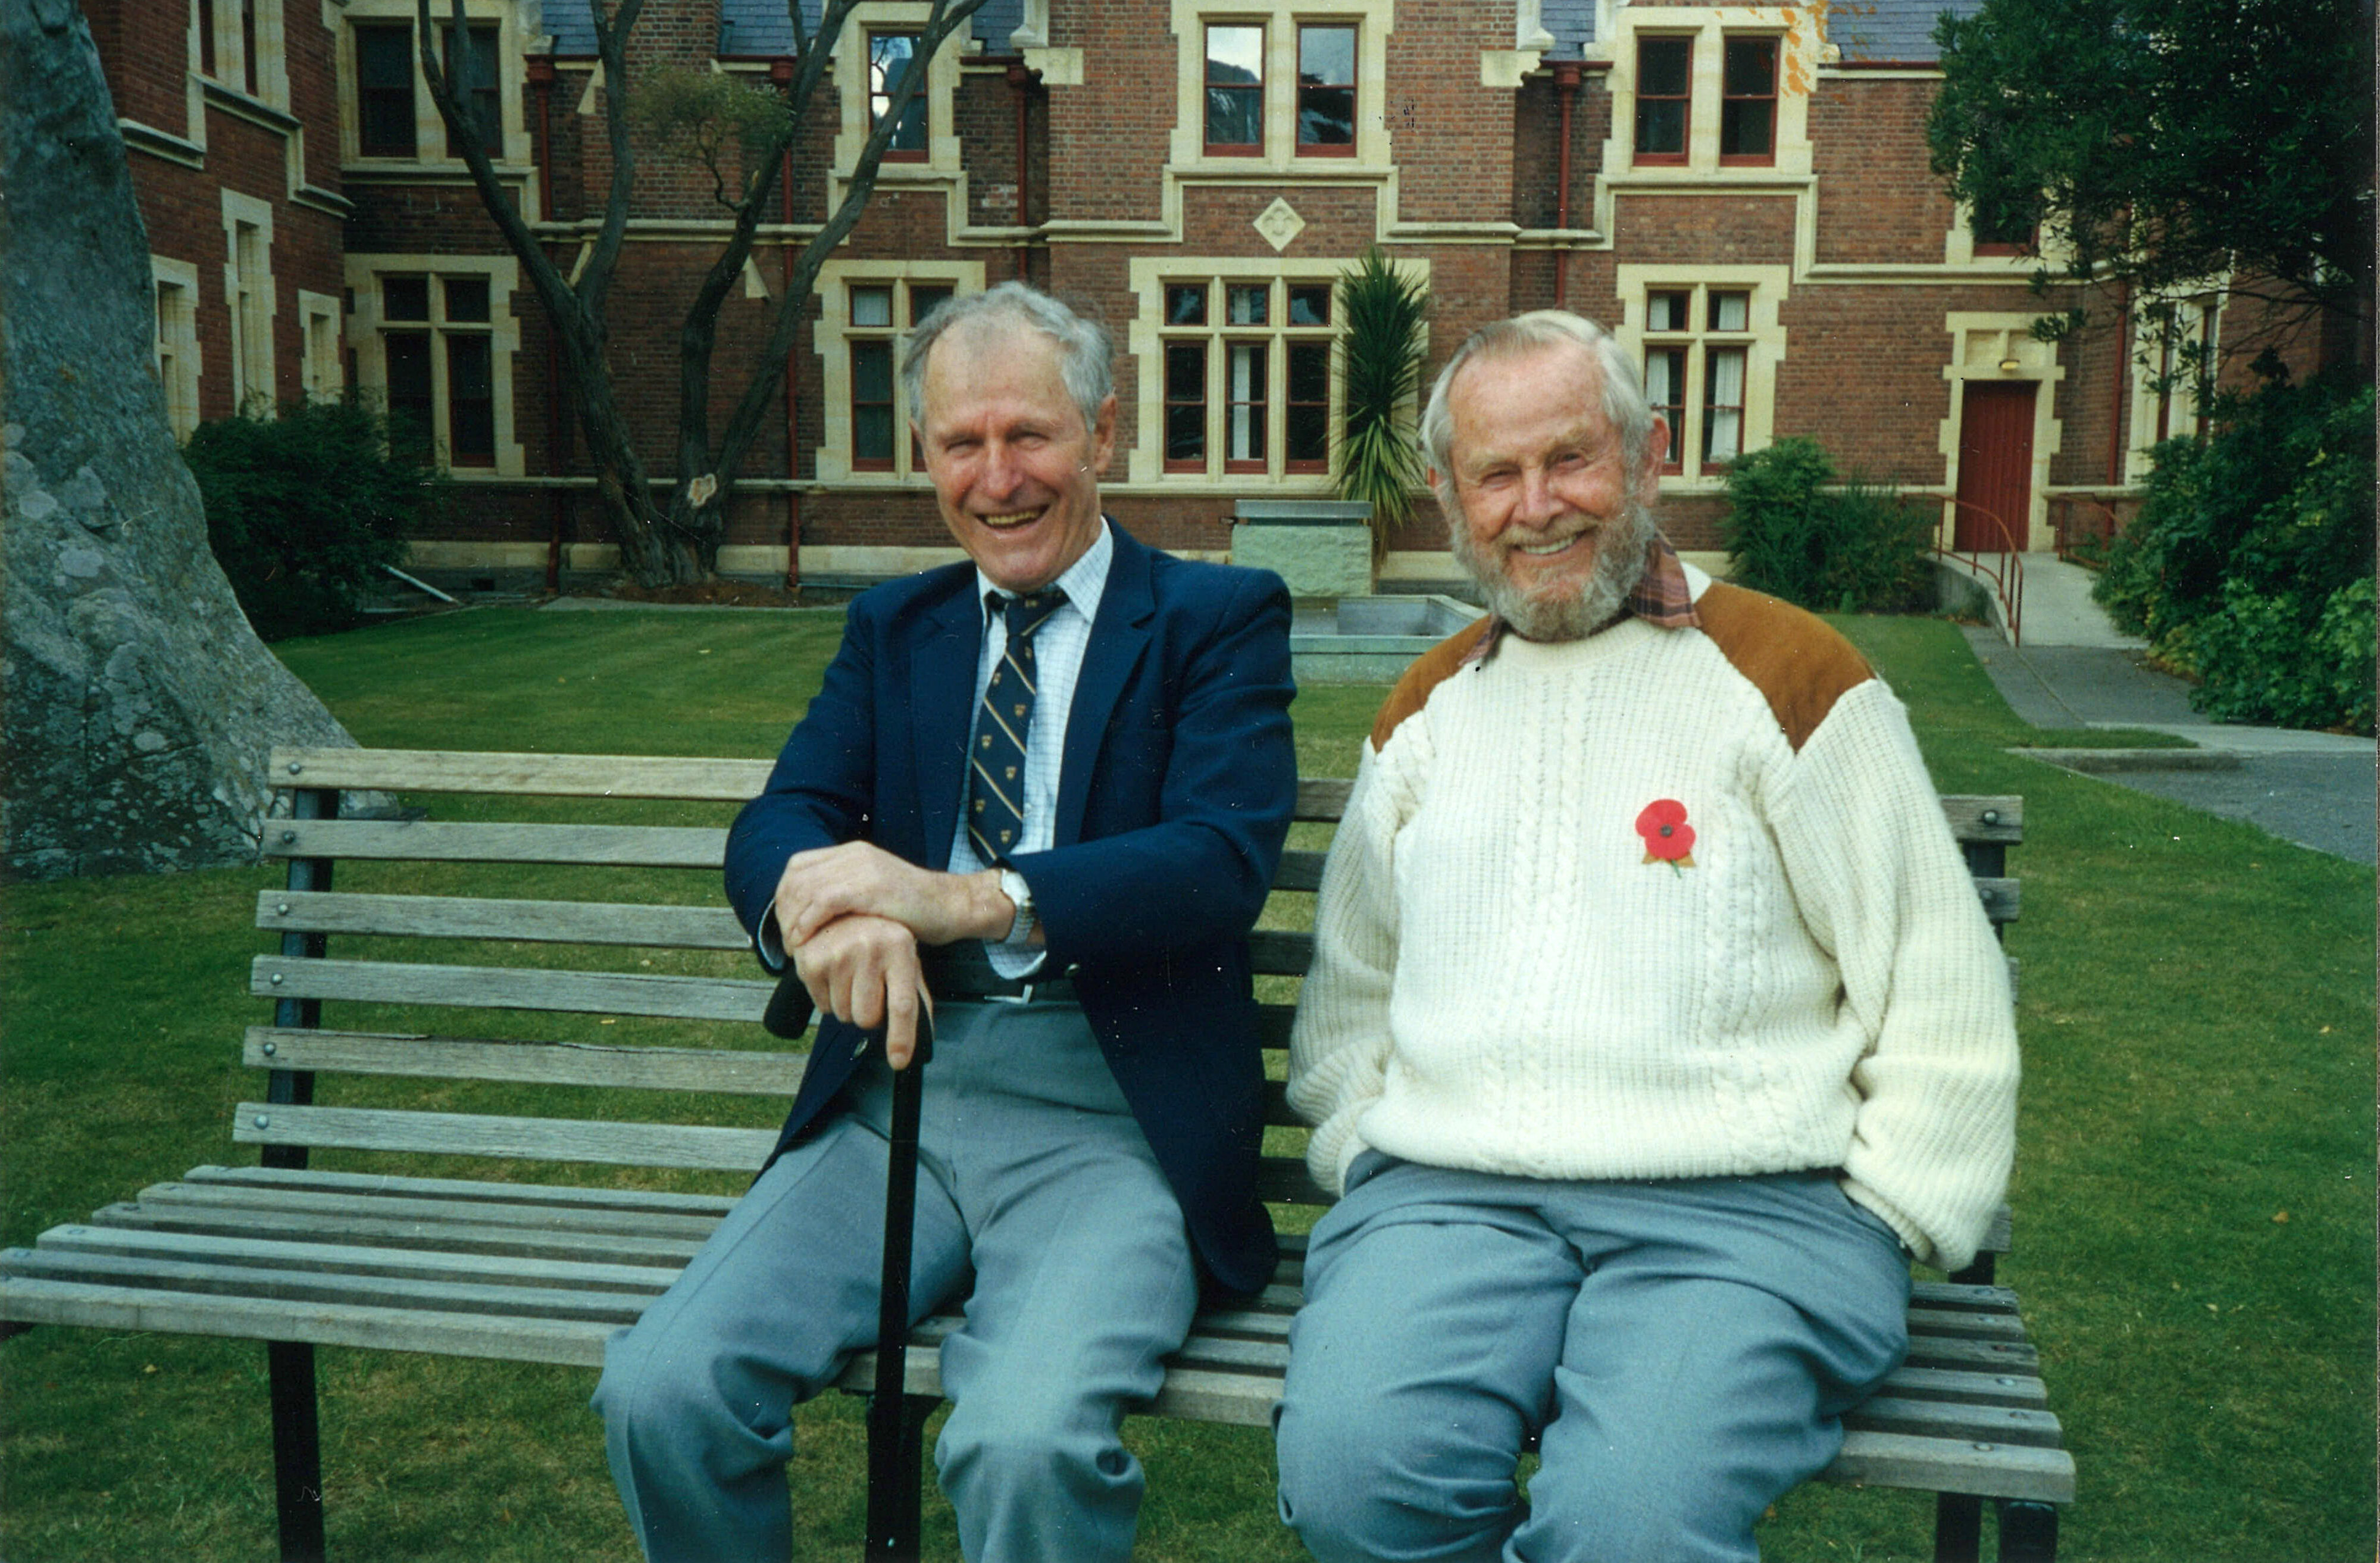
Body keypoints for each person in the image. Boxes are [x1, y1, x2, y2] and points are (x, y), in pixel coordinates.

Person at [1274, 310, 2020, 1563]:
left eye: (1570, 458)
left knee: (1627, 1527)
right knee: (1357, 1479)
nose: (1536, 506)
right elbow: (1352, 992)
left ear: (1648, 456)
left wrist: (1888, 1213)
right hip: (1451, 1204)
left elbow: (1936, 981)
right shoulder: (1426, 710)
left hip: (1746, 1218)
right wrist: (1364, 1146)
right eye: (1495, 475)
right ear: (1450, 499)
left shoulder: (1790, 675)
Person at [594, 282, 1297, 1563]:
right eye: (960, 443)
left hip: (1111, 1119)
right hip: (896, 1102)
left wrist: (965, 896)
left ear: (1102, 431)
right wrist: (821, 918)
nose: (997, 478)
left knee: (1021, 1442)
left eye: (1028, 434)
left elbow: (1218, 855)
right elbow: (784, 814)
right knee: (663, 1392)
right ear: (923, 453)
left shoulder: (1212, 618)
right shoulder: (898, 626)